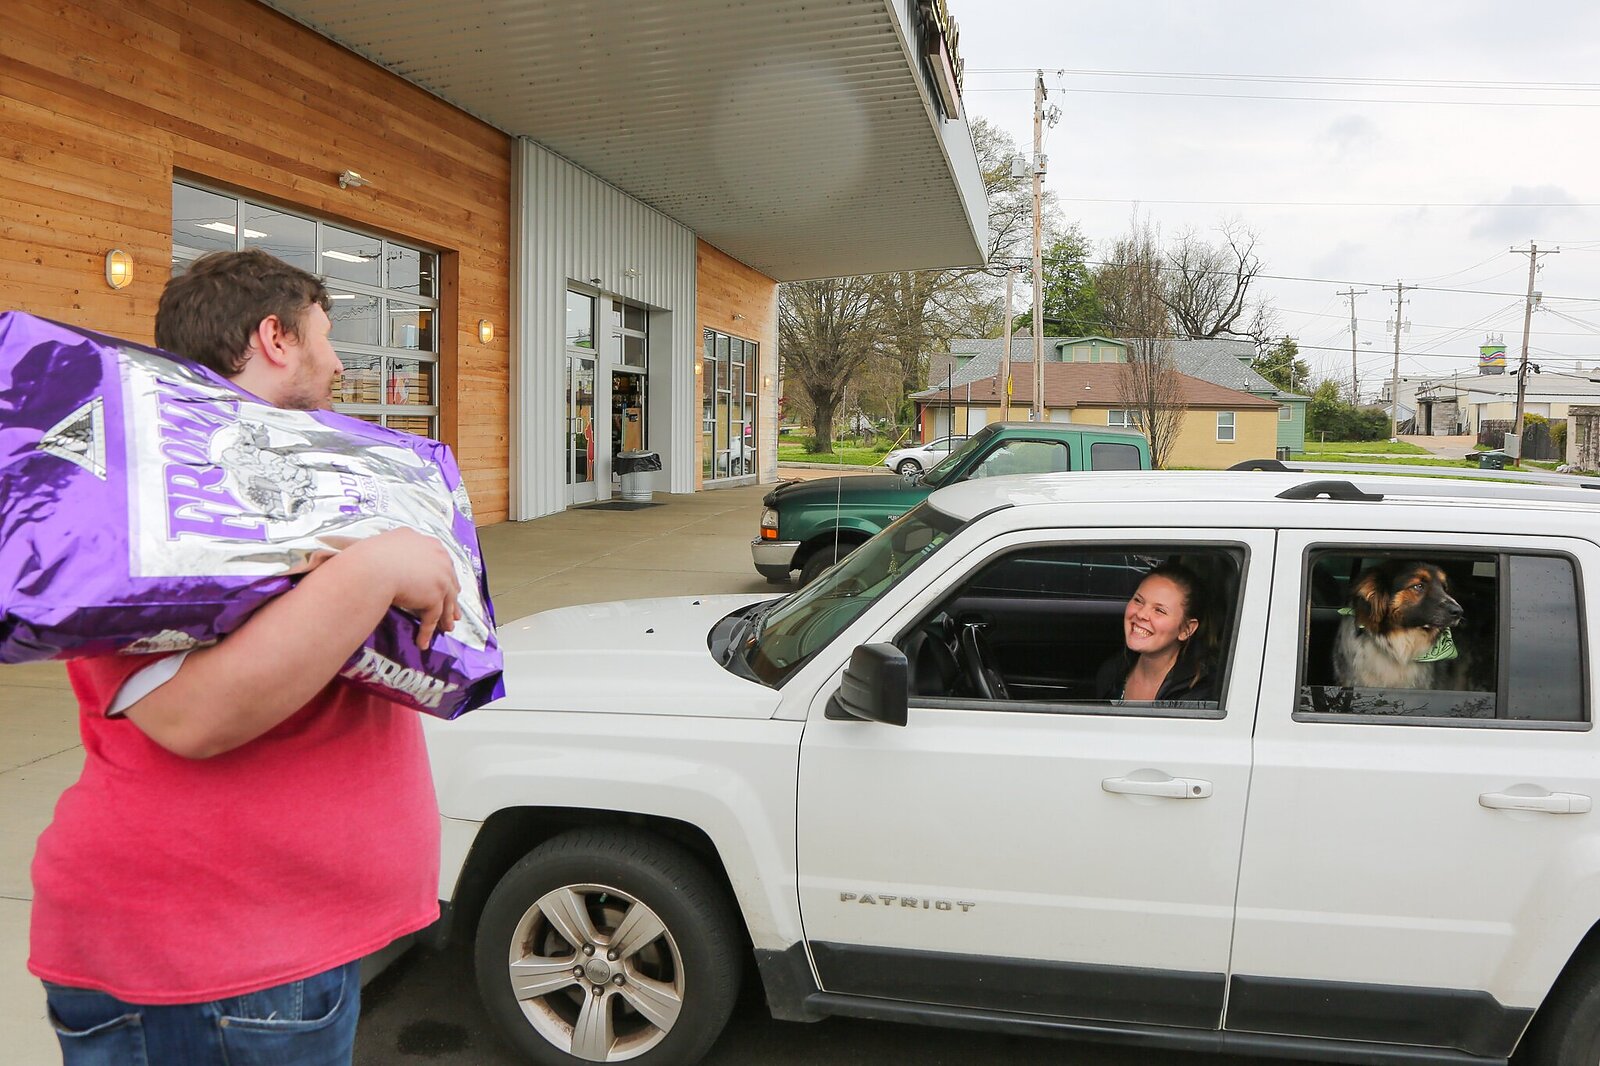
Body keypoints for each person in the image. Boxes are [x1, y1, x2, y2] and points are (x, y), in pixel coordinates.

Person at [29, 249, 461, 1065]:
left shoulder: (287, 479)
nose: (338, 363)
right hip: (209, 970)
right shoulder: (144, 491)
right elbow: (194, 716)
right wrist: (373, 569)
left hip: (275, 957)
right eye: (325, 338)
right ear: (275, 338)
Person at [1095, 561, 1216, 703]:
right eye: (1138, 601)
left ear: (1186, 629)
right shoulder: (1112, 672)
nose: (1141, 614)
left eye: (1159, 610)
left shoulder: (1201, 694)